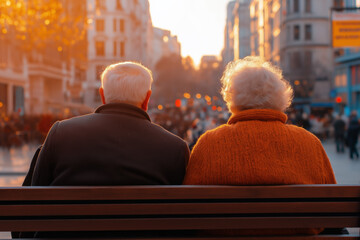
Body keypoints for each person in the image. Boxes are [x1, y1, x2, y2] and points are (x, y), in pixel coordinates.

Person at [183, 57, 336, 236]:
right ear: (281, 97)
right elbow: (331, 205)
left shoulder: (208, 143)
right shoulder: (309, 142)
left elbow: (188, 206)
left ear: (231, 98)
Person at [30, 61, 189, 186]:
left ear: (102, 96)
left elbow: (33, 193)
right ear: (147, 99)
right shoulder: (175, 148)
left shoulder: (61, 133)